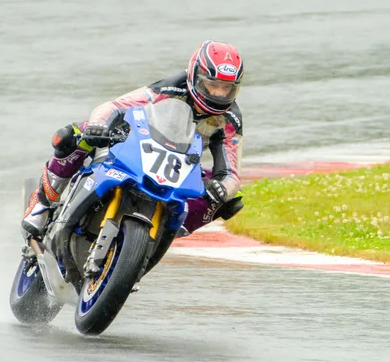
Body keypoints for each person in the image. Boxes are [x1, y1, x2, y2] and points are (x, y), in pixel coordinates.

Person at [22, 40, 245, 243]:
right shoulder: (169, 88)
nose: (218, 94)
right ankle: (43, 202)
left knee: (223, 200)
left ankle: (159, 238)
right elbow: (114, 107)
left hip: (181, 162)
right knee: (73, 134)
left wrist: (222, 188)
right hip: (136, 141)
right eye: (212, 85)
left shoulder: (230, 120)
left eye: (227, 89)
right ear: (195, 76)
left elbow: (231, 173)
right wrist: (97, 126)